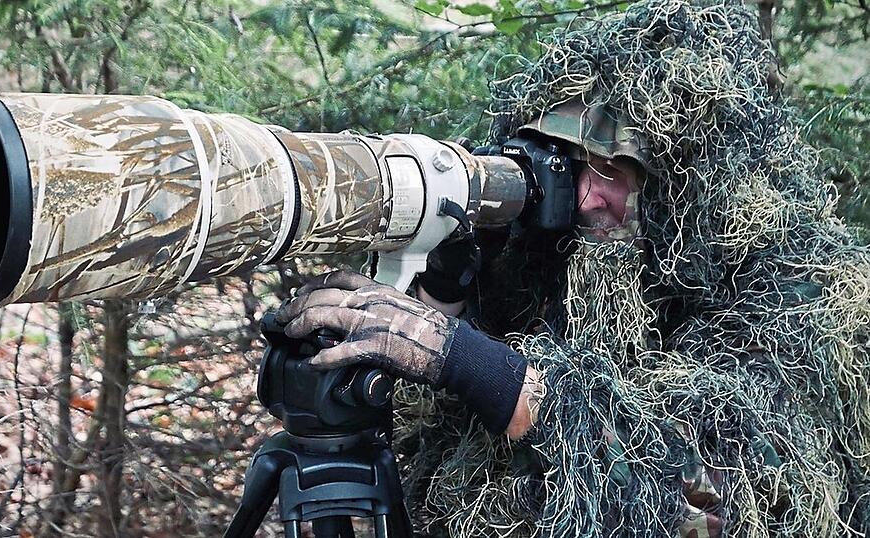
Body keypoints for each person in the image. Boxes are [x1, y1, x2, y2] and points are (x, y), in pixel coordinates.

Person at [276, 1, 870, 536]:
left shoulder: (802, 296)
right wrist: (445, 291)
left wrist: (489, 373)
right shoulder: (563, 264)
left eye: (613, 169)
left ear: (685, 185)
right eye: (569, 165)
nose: (585, 198)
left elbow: (715, 505)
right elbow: (431, 443)